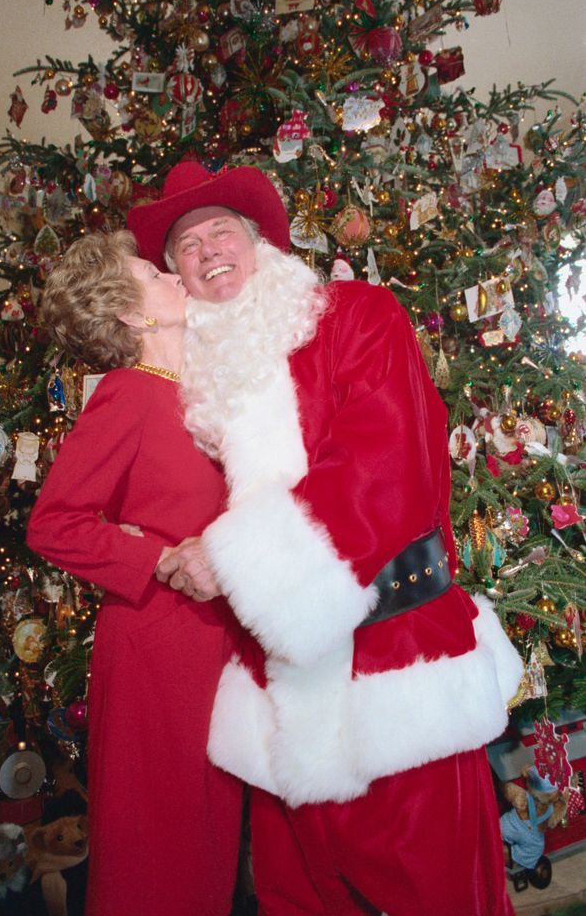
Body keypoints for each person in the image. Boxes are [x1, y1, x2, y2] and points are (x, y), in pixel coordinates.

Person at [127, 161, 524, 916]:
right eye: (187, 245)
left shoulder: (357, 315)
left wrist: (229, 557)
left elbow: (386, 466)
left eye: (221, 232)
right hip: (276, 699)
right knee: (298, 898)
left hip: (397, 673)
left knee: (440, 896)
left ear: (259, 243)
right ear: (176, 274)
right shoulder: (195, 387)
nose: (209, 252)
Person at [26, 229, 242, 916]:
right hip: (157, 650)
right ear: (129, 313)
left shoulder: (208, 394)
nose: (175, 276)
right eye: (154, 274)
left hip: (221, 642)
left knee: (209, 844)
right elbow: (53, 523)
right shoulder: (127, 392)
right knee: (159, 849)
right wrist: (158, 558)